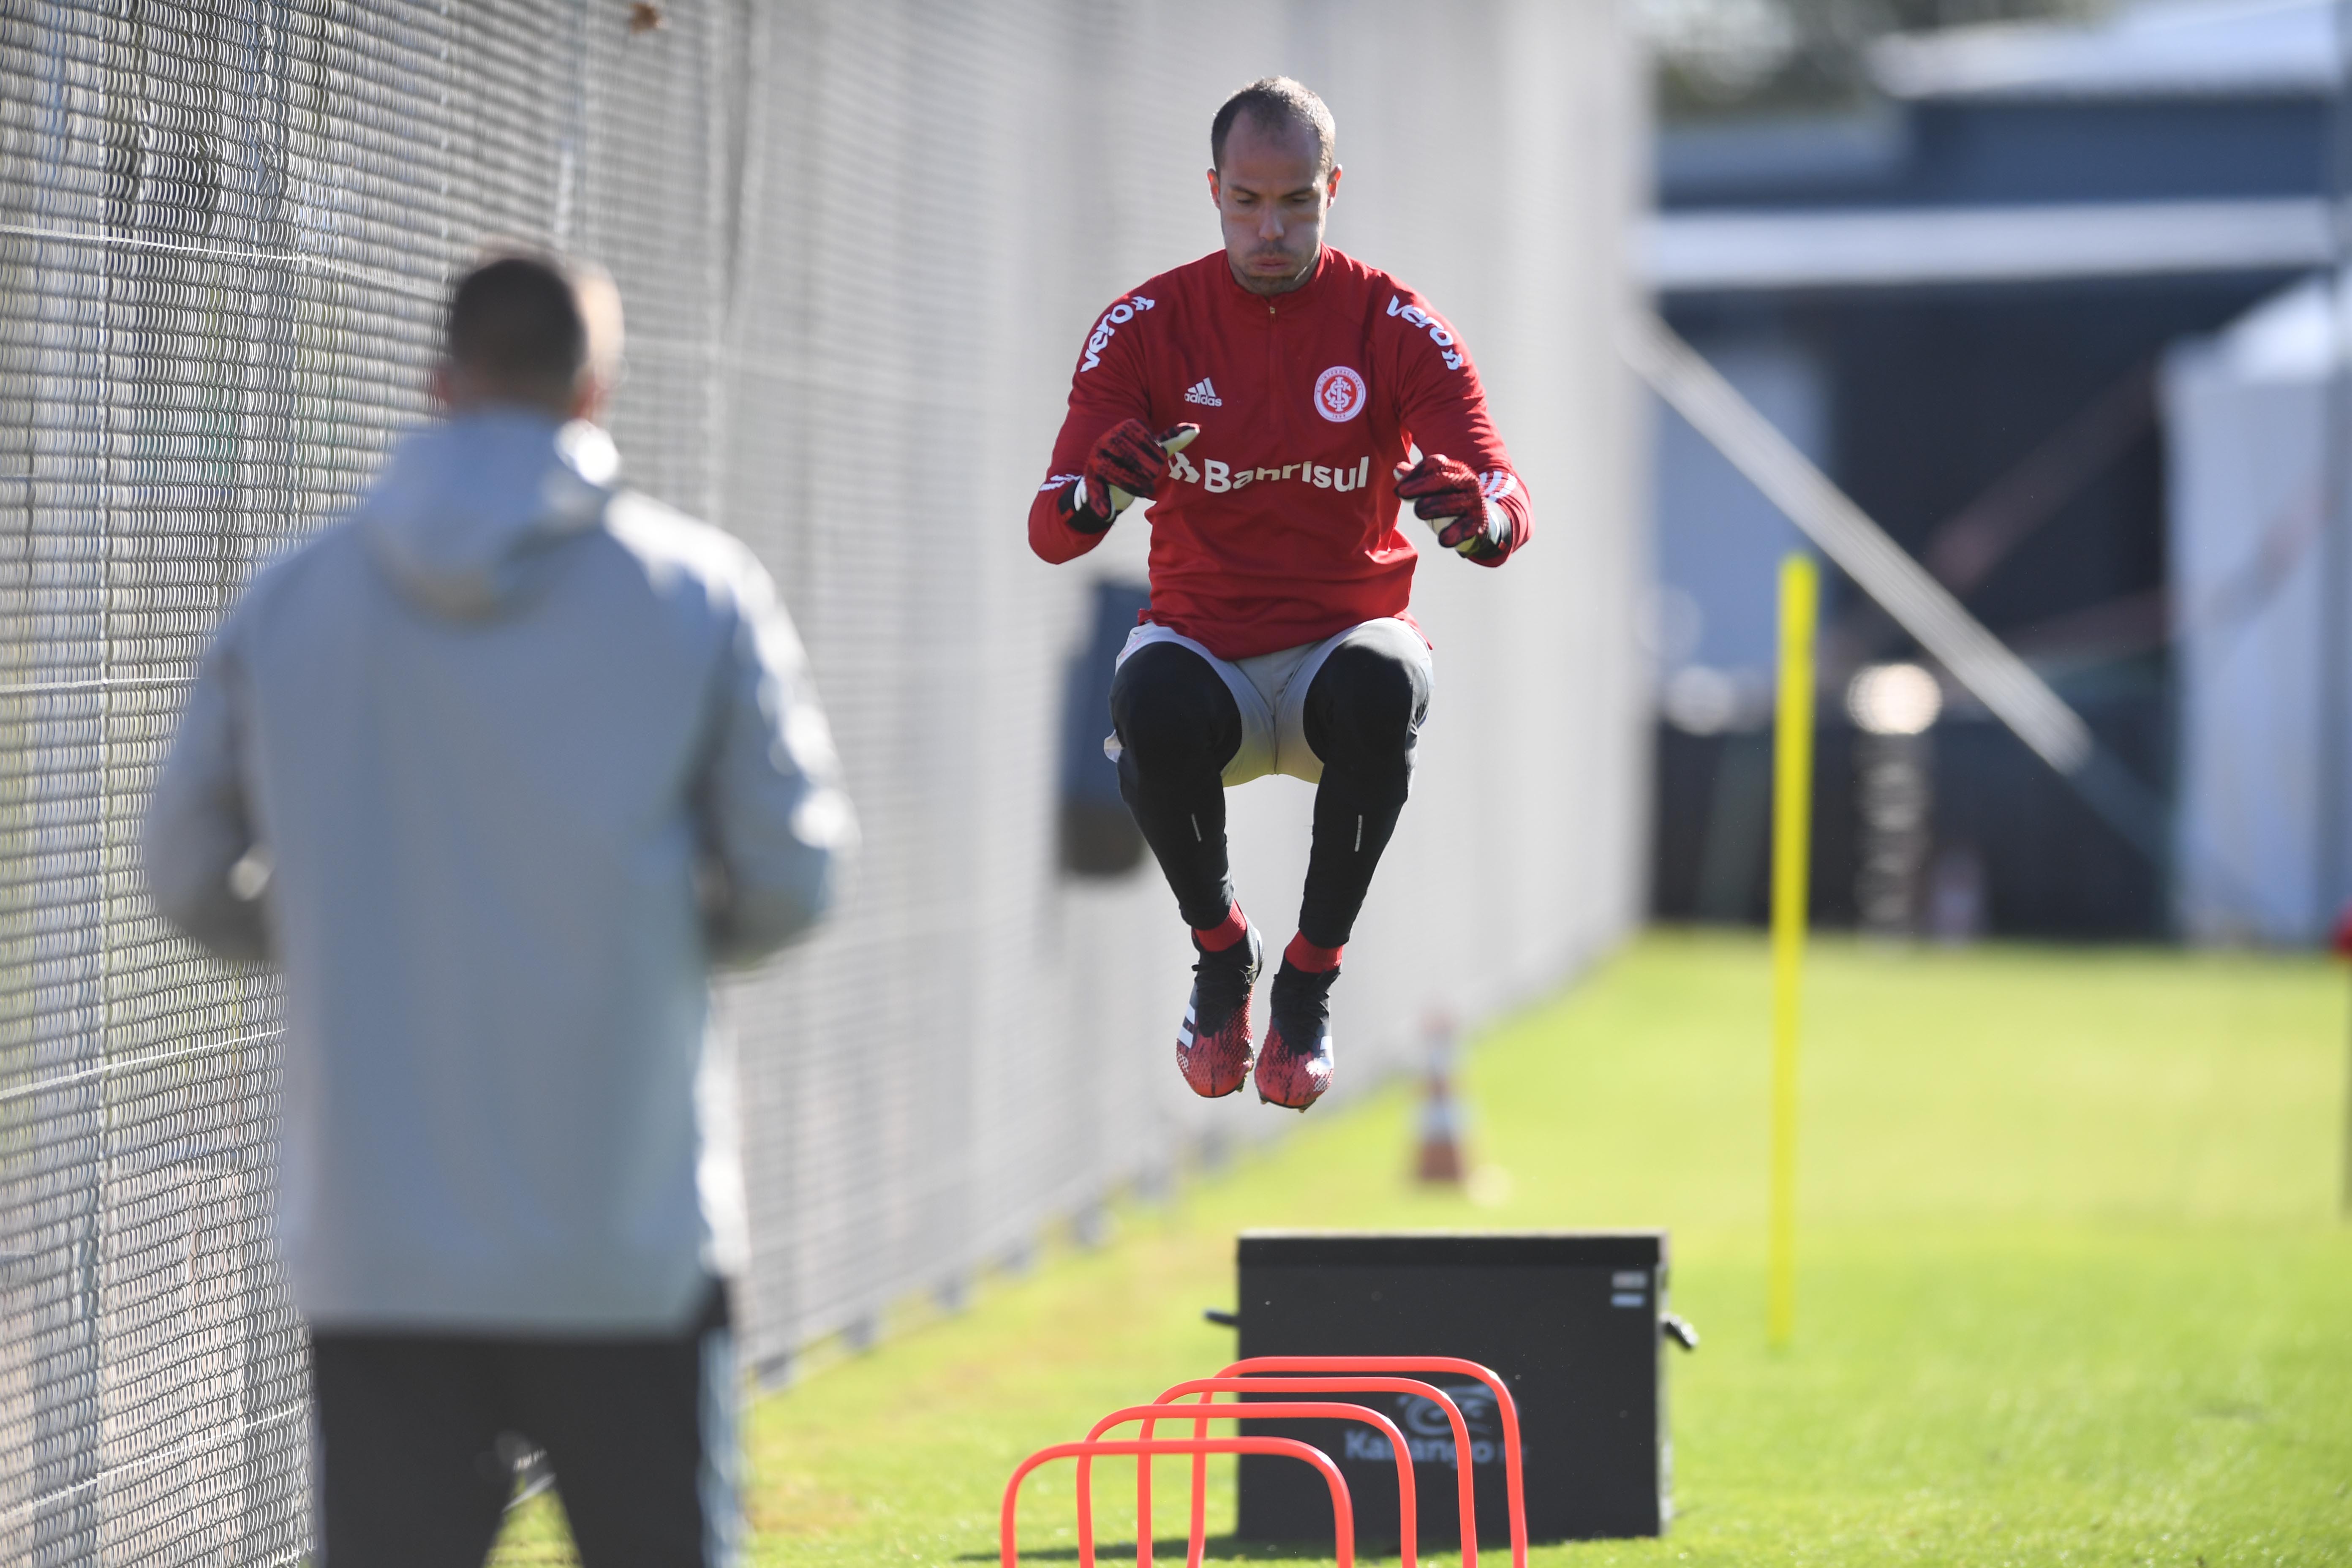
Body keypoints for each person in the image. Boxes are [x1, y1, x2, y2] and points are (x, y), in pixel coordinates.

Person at [142, 253, 855, 1568]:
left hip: (382, 1239)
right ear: (595, 394)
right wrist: (660, 946)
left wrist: (335, 931)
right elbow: (795, 875)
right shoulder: (694, 591)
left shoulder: (295, 599)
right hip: (626, 1226)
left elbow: (187, 869)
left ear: (439, 384)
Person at [1029, 77, 1532, 1111]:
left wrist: (1477, 517)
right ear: (1213, 191)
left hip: (1337, 654)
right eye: (1248, 201)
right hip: (1203, 651)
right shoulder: (1146, 326)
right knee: (1150, 698)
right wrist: (1100, 491)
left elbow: (1502, 495)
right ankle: (1225, 956)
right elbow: (1050, 526)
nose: (1271, 227)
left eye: (1296, 201)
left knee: (1386, 680)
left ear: (1332, 190)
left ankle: (1308, 977)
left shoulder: (1395, 323)